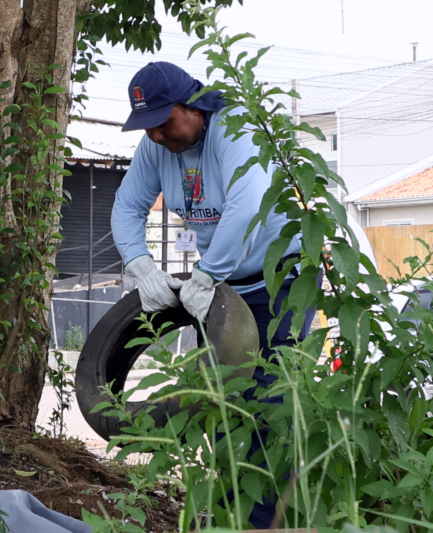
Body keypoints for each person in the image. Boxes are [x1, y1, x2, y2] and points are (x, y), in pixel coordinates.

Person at [112, 61, 315, 529]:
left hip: (281, 278)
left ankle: (267, 522)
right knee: (219, 401)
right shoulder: (156, 147)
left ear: (192, 106)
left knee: (271, 403)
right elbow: (127, 205)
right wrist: (139, 263)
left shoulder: (234, 128)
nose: (158, 136)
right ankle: (227, 513)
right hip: (223, 293)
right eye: (149, 127)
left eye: (164, 123)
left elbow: (248, 206)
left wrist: (205, 276)